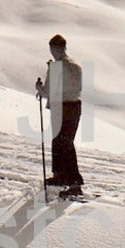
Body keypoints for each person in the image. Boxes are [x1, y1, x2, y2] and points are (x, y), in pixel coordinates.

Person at [35, 34, 84, 197]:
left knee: (61, 142)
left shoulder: (57, 67)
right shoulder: (76, 65)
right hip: (75, 106)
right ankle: (62, 176)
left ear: (54, 48)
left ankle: (71, 181)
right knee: (65, 141)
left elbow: (49, 92)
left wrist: (39, 88)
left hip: (61, 107)